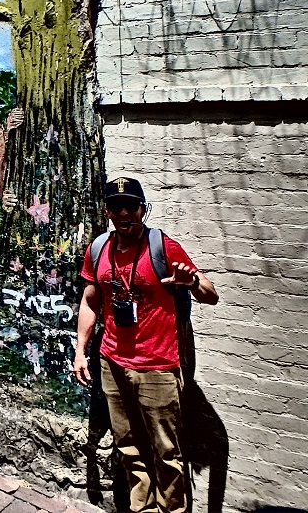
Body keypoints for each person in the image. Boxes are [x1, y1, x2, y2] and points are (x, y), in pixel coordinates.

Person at [73, 176, 218, 513]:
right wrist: (81, 351)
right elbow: (91, 301)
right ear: (107, 211)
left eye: (131, 206)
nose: (124, 213)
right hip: (111, 362)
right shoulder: (98, 249)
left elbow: (211, 294)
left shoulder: (164, 247)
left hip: (158, 367)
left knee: (167, 453)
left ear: (143, 209)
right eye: (116, 206)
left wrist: (192, 281)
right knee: (129, 448)